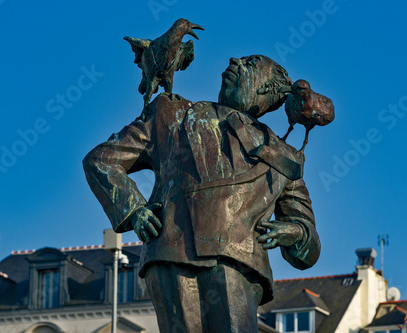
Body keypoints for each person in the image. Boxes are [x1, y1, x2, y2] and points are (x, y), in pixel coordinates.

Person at [83, 55, 320, 332]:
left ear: (270, 88)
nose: (234, 61)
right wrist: (134, 209)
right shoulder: (171, 113)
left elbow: (309, 247)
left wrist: (295, 233)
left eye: (250, 63)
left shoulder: (286, 159)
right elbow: (101, 160)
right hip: (174, 251)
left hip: (241, 262)